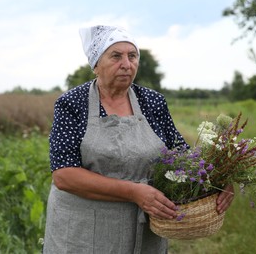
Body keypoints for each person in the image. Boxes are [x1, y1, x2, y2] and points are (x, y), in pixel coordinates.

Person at [43, 25, 234, 254]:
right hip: (82, 233)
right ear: (95, 65)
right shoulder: (73, 103)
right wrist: (134, 191)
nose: (126, 64)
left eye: (132, 56)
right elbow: (64, 175)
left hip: (144, 235)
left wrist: (218, 181)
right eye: (116, 56)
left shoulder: (152, 102)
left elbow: (182, 155)